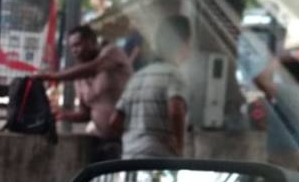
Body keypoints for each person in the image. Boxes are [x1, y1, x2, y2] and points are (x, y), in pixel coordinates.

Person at [35, 25, 132, 161]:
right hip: (103, 140)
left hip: (129, 137)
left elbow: (95, 66)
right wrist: (62, 114)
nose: (74, 51)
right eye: (72, 47)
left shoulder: (112, 53)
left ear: (92, 42)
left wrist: (53, 76)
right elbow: (85, 114)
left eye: (78, 45)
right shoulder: (79, 77)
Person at [109, 14, 192, 158]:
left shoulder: (137, 77)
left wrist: (135, 139)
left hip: (129, 159)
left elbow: (114, 121)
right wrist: (179, 147)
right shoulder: (174, 75)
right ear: (183, 44)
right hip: (157, 162)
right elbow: (176, 111)